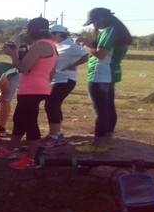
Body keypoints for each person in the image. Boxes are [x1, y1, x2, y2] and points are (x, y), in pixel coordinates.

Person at [0, 17, 57, 169]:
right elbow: (51, 72)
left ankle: (31, 159)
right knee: (20, 119)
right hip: (38, 87)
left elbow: (23, 68)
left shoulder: (39, 46)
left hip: (32, 90)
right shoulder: (51, 46)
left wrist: (12, 54)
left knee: (29, 122)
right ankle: (10, 150)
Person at [73, 8, 132, 153]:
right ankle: (107, 140)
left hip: (100, 74)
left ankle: (98, 143)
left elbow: (100, 54)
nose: (94, 25)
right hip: (108, 74)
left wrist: (81, 44)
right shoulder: (115, 30)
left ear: (101, 18)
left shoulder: (110, 31)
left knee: (101, 111)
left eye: (94, 22)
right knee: (108, 109)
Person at [41, 24, 88, 148]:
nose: (49, 36)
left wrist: (73, 65)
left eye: (51, 34)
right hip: (57, 79)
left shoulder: (70, 45)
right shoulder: (59, 45)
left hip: (65, 79)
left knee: (51, 105)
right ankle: (57, 133)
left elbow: (85, 55)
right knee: (54, 105)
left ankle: (54, 136)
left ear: (58, 34)